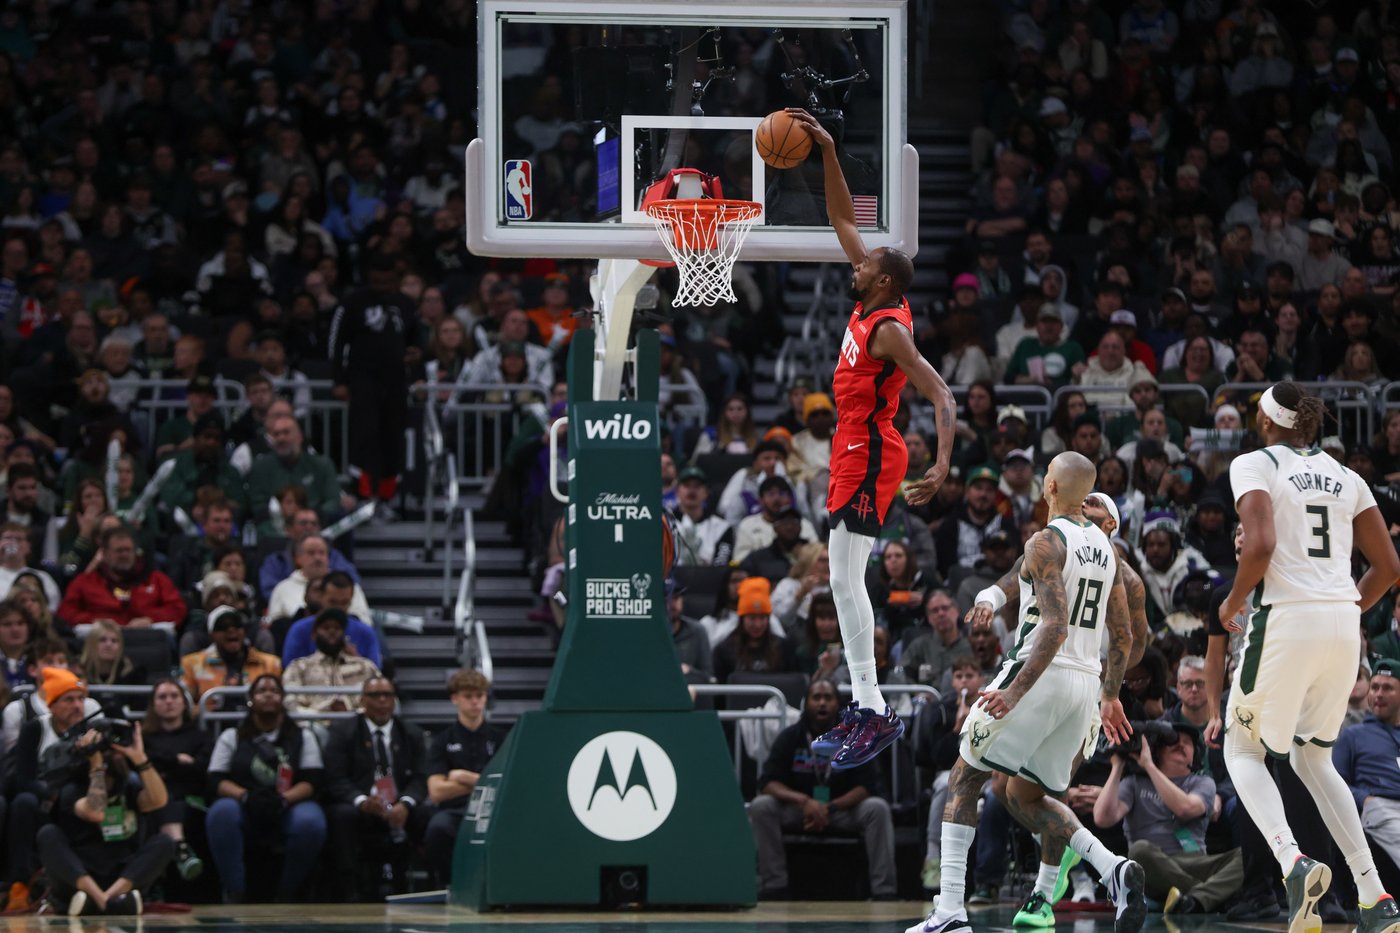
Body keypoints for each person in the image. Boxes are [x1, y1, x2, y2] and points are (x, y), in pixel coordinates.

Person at [908, 452, 1146, 933]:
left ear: (1051, 486)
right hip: (1085, 687)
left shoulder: (1046, 539)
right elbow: (1124, 638)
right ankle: (1111, 868)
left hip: (1039, 673)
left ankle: (950, 910)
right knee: (1033, 797)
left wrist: (1015, 693)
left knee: (964, 778)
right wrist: (1110, 692)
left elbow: (1054, 626)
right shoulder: (1108, 555)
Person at [785, 108, 957, 770]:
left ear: (882, 279)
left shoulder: (890, 329)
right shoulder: (873, 289)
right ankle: (867, 702)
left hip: (872, 449)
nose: (852, 265)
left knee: (841, 574)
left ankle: (871, 704)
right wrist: (826, 148)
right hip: (852, 446)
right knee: (840, 574)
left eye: (864, 267)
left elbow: (941, 393)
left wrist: (941, 467)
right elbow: (842, 220)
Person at [1217, 381, 1400, 933]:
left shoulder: (1255, 463)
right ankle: (1375, 896)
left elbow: (1262, 545)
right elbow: (1388, 567)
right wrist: (1341, 608)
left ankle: (1292, 862)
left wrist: (1232, 600)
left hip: (1286, 619)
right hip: (1345, 626)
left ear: (1268, 422)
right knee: (1313, 758)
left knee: (1241, 750)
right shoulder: (1349, 476)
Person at [747, 678, 896, 899]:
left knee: (877, 808)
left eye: (828, 698)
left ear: (838, 705)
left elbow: (866, 786)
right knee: (761, 806)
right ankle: (774, 886)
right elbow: (768, 783)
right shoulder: (790, 737)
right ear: (806, 704)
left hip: (841, 811)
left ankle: (884, 891)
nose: (822, 703)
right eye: (816, 698)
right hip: (800, 810)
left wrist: (830, 807)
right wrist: (805, 802)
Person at [36, 700, 174, 916]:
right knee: (48, 834)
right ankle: (106, 900)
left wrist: (140, 758)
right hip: (81, 876)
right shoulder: (73, 787)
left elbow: (158, 800)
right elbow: (95, 812)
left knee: (164, 841)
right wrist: (96, 764)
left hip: (121, 874)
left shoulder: (129, 784)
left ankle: (106, 898)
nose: (114, 751)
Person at [205, 673, 326, 903]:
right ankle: (235, 892)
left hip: (288, 804)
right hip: (245, 803)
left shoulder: (303, 735)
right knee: (221, 813)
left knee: (311, 821)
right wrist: (244, 796)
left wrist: (285, 799)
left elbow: (313, 780)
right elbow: (215, 779)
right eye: (262, 691)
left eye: (274, 691)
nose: (268, 695)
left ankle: (287, 893)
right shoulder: (232, 735)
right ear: (251, 699)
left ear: (282, 698)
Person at [322, 677, 433, 901]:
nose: (382, 700)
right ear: (362, 700)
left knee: (431, 818)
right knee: (342, 815)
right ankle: (348, 889)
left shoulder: (412, 733)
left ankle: (433, 885)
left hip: (400, 803)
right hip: (361, 804)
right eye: (374, 695)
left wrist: (406, 803)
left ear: (394, 700)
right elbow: (335, 778)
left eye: (387, 695)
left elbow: (422, 778)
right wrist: (362, 800)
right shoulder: (343, 732)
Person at [329, 253, 417, 520]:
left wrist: (416, 356)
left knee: (392, 441)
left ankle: (388, 498)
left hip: (396, 382)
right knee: (364, 438)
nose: (381, 285)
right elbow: (335, 343)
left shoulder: (404, 303)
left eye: (387, 280)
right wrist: (339, 380)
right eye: (377, 280)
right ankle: (362, 496)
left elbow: (415, 341)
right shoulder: (353, 302)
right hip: (362, 379)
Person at [424, 669, 507, 883]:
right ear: (455, 698)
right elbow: (436, 791)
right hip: (455, 809)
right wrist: (483, 781)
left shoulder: (501, 738)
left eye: (480, 696)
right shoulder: (442, 740)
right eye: (468, 697)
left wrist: (461, 777)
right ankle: (448, 884)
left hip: (493, 808)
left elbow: (508, 783)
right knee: (437, 829)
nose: (475, 702)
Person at [141, 678, 212, 882]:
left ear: (183, 703)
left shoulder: (200, 736)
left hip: (191, 800)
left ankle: (180, 852)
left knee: (169, 800)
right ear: (154, 705)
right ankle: (180, 849)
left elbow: (201, 770)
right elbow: (140, 763)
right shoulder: (144, 738)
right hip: (152, 800)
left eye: (174, 696)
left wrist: (163, 767)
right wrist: (177, 759)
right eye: (162, 697)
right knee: (162, 799)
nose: (169, 701)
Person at [282, 609, 381, 716]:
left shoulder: (365, 666)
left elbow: (380, 699)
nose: (332, 631)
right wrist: (323, 712)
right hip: (312, 726)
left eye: (337, 628)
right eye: (326, 628)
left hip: (358, 727)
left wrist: (353, 716)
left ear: (344, 634)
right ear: (314, 635)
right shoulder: (299, 667)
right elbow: (290, 702)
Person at [180, 606, 282, 706]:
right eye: (222, 627)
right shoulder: (191, 664)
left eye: (237, 625)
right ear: (211, 635)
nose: (231, 630)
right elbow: (185, 709)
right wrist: (210, 709)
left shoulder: (272, 664)